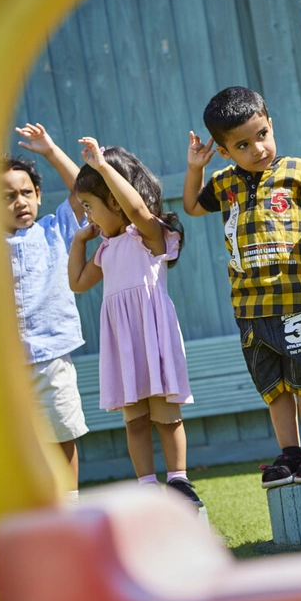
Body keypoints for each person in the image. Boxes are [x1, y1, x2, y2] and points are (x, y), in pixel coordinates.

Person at [182, 86, 301, 489]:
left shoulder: (295, 170)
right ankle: (289, 451)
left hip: (295, 296)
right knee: (272, 384)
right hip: (249, 305)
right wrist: (195, 168)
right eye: (243, 144)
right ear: (224, 151)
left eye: (263, 134)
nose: (258, 148)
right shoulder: (222, 183)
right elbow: (193, 207)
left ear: (271, 125)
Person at [68, 136, 203, 508]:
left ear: (114, 199)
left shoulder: (149, 235)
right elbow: (77, 283)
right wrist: (80, 241)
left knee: (167, 417)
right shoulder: (106, 248)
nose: (88, 215)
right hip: (124, 345)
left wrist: (102, 167)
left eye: (90, 206)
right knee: (135, 420)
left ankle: (178, 480)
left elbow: (138, 208)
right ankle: (146, 484)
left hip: (153, 338)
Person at [3, 123, 89, 504]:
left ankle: (69, 508)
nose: (20, 201)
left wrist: (51, 151)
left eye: (26, 192)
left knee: (60, 434)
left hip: (52, 355)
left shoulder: (55, 230)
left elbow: (83, 191)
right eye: (7, 197)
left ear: (38, 195)